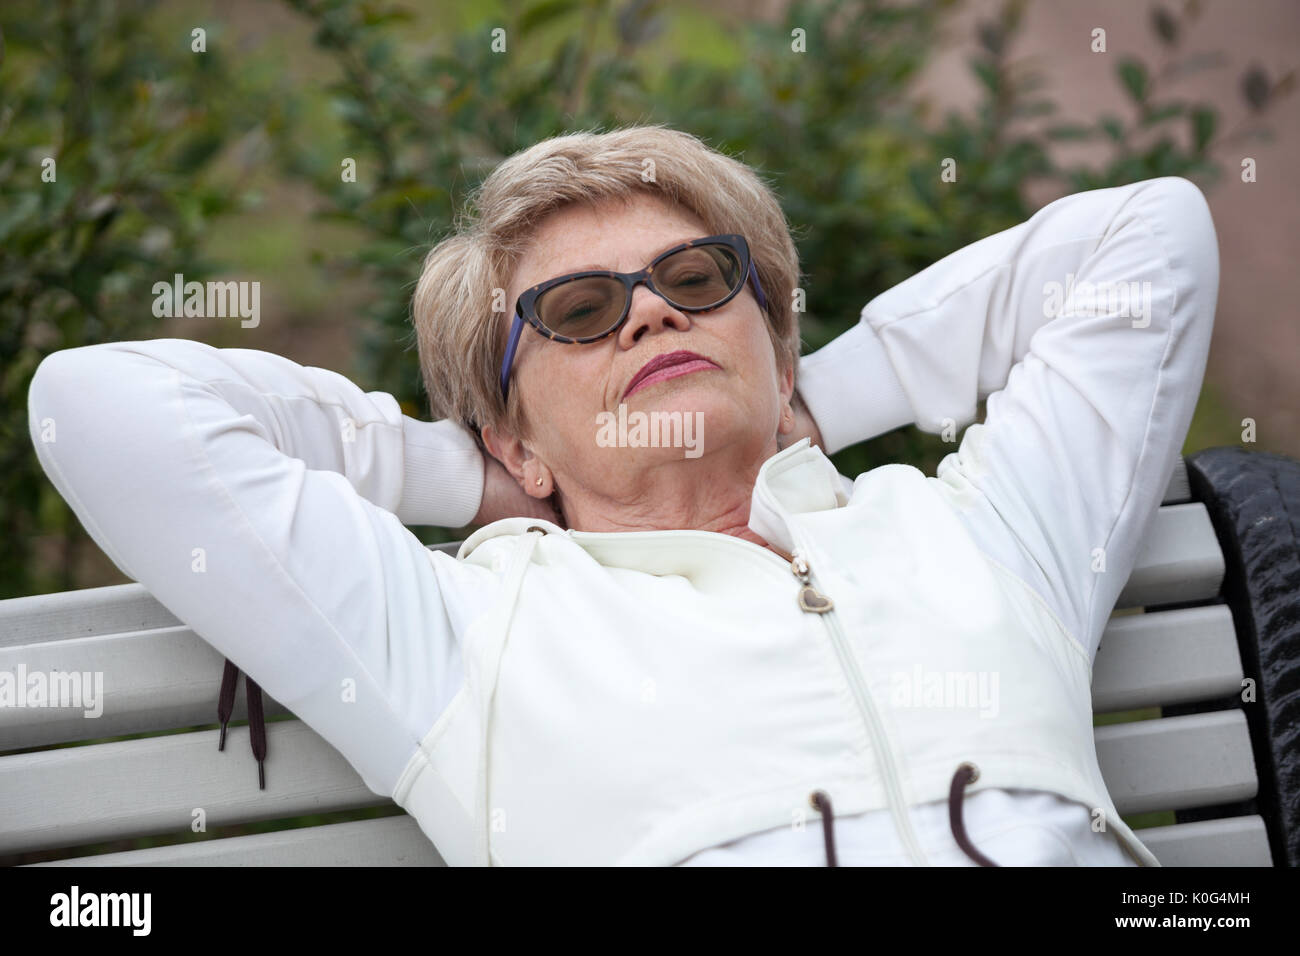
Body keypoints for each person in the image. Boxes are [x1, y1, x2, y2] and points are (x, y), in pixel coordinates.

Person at [27, 124, 1218, 866]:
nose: (651, 310)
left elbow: (1145, 239)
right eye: (580, 312)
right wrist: (473, 480)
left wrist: (803, 401)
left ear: (771, 332)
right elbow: (98, 404)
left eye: (696, 280)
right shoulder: (461, 636)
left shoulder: (978, 528)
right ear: (512, 429)